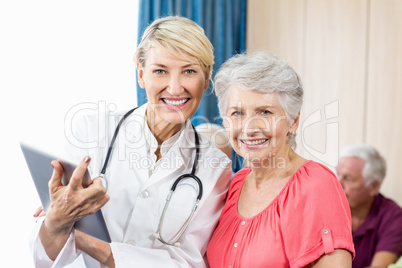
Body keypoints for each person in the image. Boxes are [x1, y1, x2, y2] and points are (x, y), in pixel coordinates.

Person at [30, 16, 232, 267]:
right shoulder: (92, 131)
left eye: (189, 71)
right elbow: (42, 257)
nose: (175, 87)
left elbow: (187, 263)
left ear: (206, 78)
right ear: (141, 75)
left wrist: (84, 240)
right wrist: (56, 222)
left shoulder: (215, 167)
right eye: (160, 71)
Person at [206, 51, 355, 267]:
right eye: (237, 113)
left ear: (293, 121)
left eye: (265, 112)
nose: (250, 127)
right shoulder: (237, 183)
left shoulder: (316, 185)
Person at [337, 144, 402, 268]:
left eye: (348, 178)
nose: (338, 183)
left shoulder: (394, 217)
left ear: (373, 186)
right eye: (338, 174)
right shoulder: (327, 208)